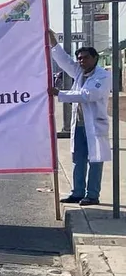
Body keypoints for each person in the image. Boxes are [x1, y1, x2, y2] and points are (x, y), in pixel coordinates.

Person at [48, 31, 110, 206]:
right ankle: (77, 192)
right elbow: (65, 61)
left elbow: (88, 94)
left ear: (95, 58)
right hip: (80, 126)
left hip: (95, 126)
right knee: (78, 159)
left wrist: (60, 94)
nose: (82, 61)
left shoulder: (103, 76)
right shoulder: (80, 73)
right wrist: (53, 44)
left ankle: (92, 195)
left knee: (95, 160)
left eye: (85, 58)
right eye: (80, 58)